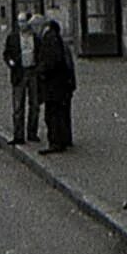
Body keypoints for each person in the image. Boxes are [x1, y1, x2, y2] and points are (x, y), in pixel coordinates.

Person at [34, 16, 77, 154]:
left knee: (52, 114)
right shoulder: (56, 37)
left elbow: (53, 61)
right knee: (62, 112)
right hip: (63, 83)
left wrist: (40, 70)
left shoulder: (49, 39)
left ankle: (56, 142)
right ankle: (64, 139)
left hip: (54, 84)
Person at [2, 15, 41, 145]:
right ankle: (18, 135)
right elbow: (6, 54)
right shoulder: (12, 38)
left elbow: (40, 53)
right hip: (19, 73)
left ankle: (32, 133)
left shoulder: (35, 38)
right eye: (19, 21)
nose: (21, 24)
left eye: (23, 21)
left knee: (34, 105)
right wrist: (11, 63)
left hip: (32, 72)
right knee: (18, 106)